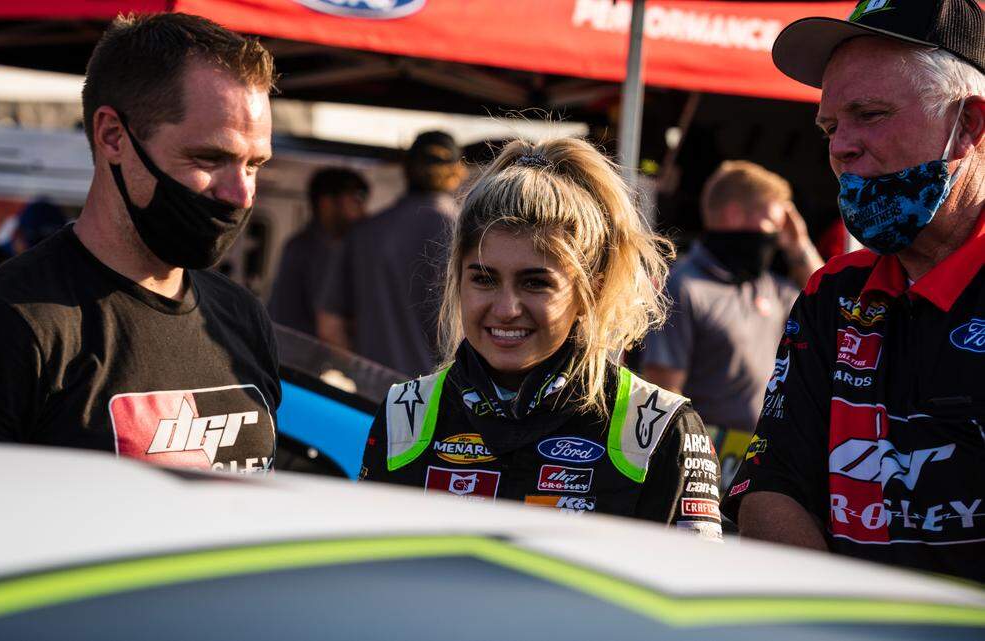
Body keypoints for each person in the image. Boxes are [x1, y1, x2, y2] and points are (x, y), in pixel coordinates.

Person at [0, 13, 281, 474]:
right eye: (210, 158)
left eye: (255, 165)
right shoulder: (5, 329)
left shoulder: (241, 318)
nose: (240, 193)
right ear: (113, 136)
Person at [722, 0, 985, 581]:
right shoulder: (833, 292)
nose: (841, 147)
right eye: (831, 126)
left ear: (969, 125)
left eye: (869, 114)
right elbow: (772, 484)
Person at [359, 138, 723, 539]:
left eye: (535, 283)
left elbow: (692, 588)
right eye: (484, 279)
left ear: (592, 292)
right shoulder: (404, 411)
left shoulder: (661, 426)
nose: (505, 308)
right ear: (457, 280)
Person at [642, 161, 823, 438]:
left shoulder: (769, 286)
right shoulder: (683, 286)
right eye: (772, 225)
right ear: (734, 215)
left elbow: (828, 309)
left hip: (762, 458)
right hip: (707, 460)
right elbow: (663, 386)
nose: (777, 237)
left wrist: (800, 246)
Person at [317, 131, 465, 375]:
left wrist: (363, 376)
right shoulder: (473, 237)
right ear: (457, 172)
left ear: (405, 169)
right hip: (446, 400)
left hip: (378, 398)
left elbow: (330, 326)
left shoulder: (363, 234)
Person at [267, 168, 369, 336]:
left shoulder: (298, 244)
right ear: (326, 203)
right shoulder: (319, 250)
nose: (364, 211)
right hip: (305, 356)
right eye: (357, 199)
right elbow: (330, 321)